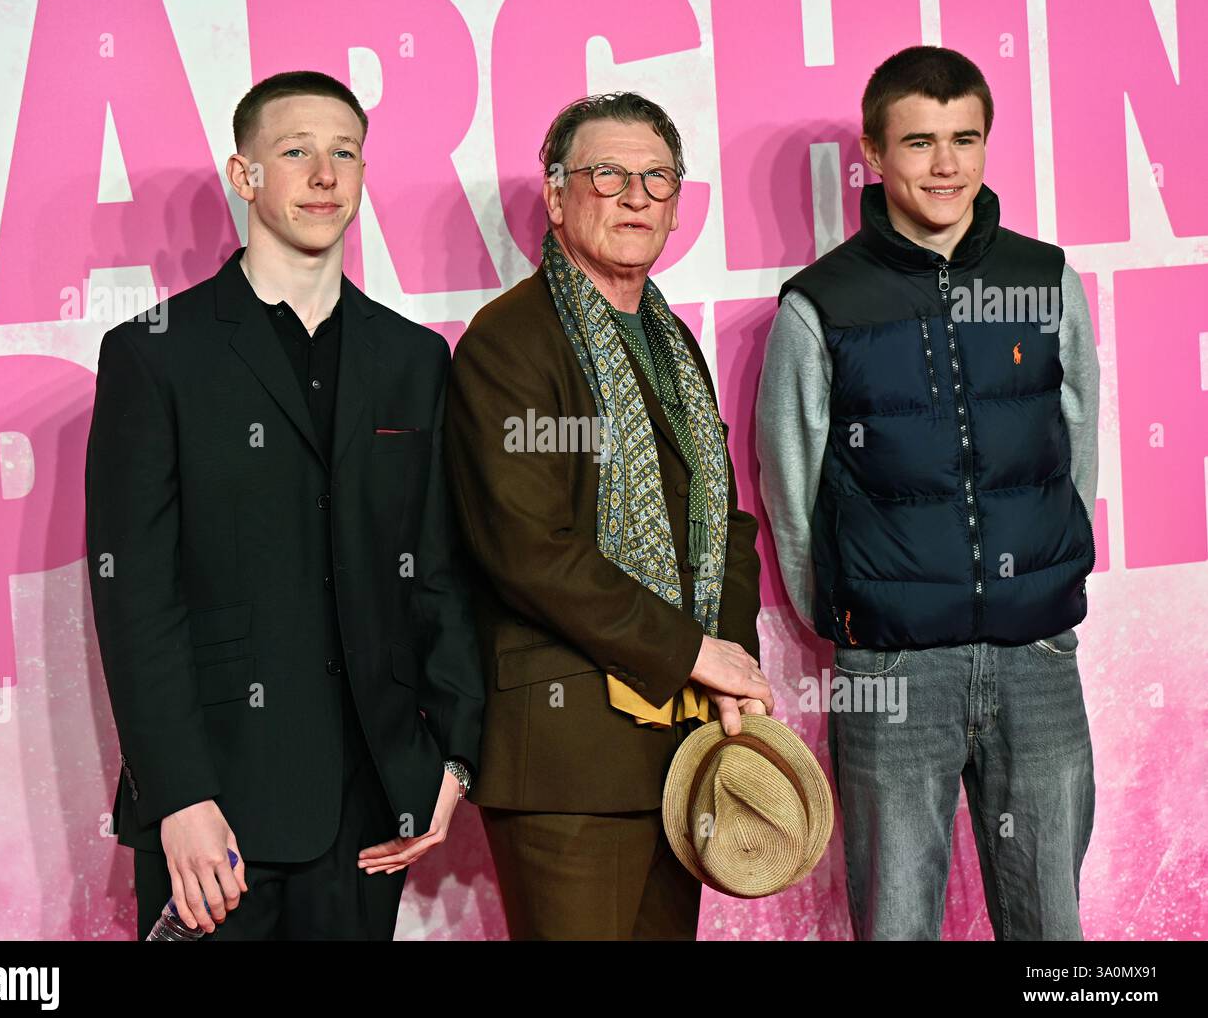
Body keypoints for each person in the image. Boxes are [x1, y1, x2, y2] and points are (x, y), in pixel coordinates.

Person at [86, 70, 483, 940]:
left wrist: (452, 757)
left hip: (371, 804)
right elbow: (133, 597)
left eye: (344, 153)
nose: (324, 175)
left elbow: (438, 570)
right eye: (294, 152)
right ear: (245, 176)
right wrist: (179, 795)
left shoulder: (413, 359)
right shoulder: (155, 356)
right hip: (215, 811)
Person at [756, 46, 1099, 940]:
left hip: (1037, 657)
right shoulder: (820, 303)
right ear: (873, 154)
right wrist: (857, 615)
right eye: (918, 142)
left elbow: (1078, 445)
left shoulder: (1045, 278)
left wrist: (1046, 590)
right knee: (898, 922)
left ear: (986, 144)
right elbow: (791, 488)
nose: (945, 164)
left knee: (1052, 927)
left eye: (964, 138)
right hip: (893, 671)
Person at [445, 92, 772, 941]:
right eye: (608, 174)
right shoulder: (509, 339)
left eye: (656, 178)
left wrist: (729, 667)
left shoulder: (670, 339)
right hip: (569, 764)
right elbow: (527, 548)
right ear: (556, 197)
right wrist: (695, 652)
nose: (635, 196)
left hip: (683, 752)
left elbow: (725, 525)